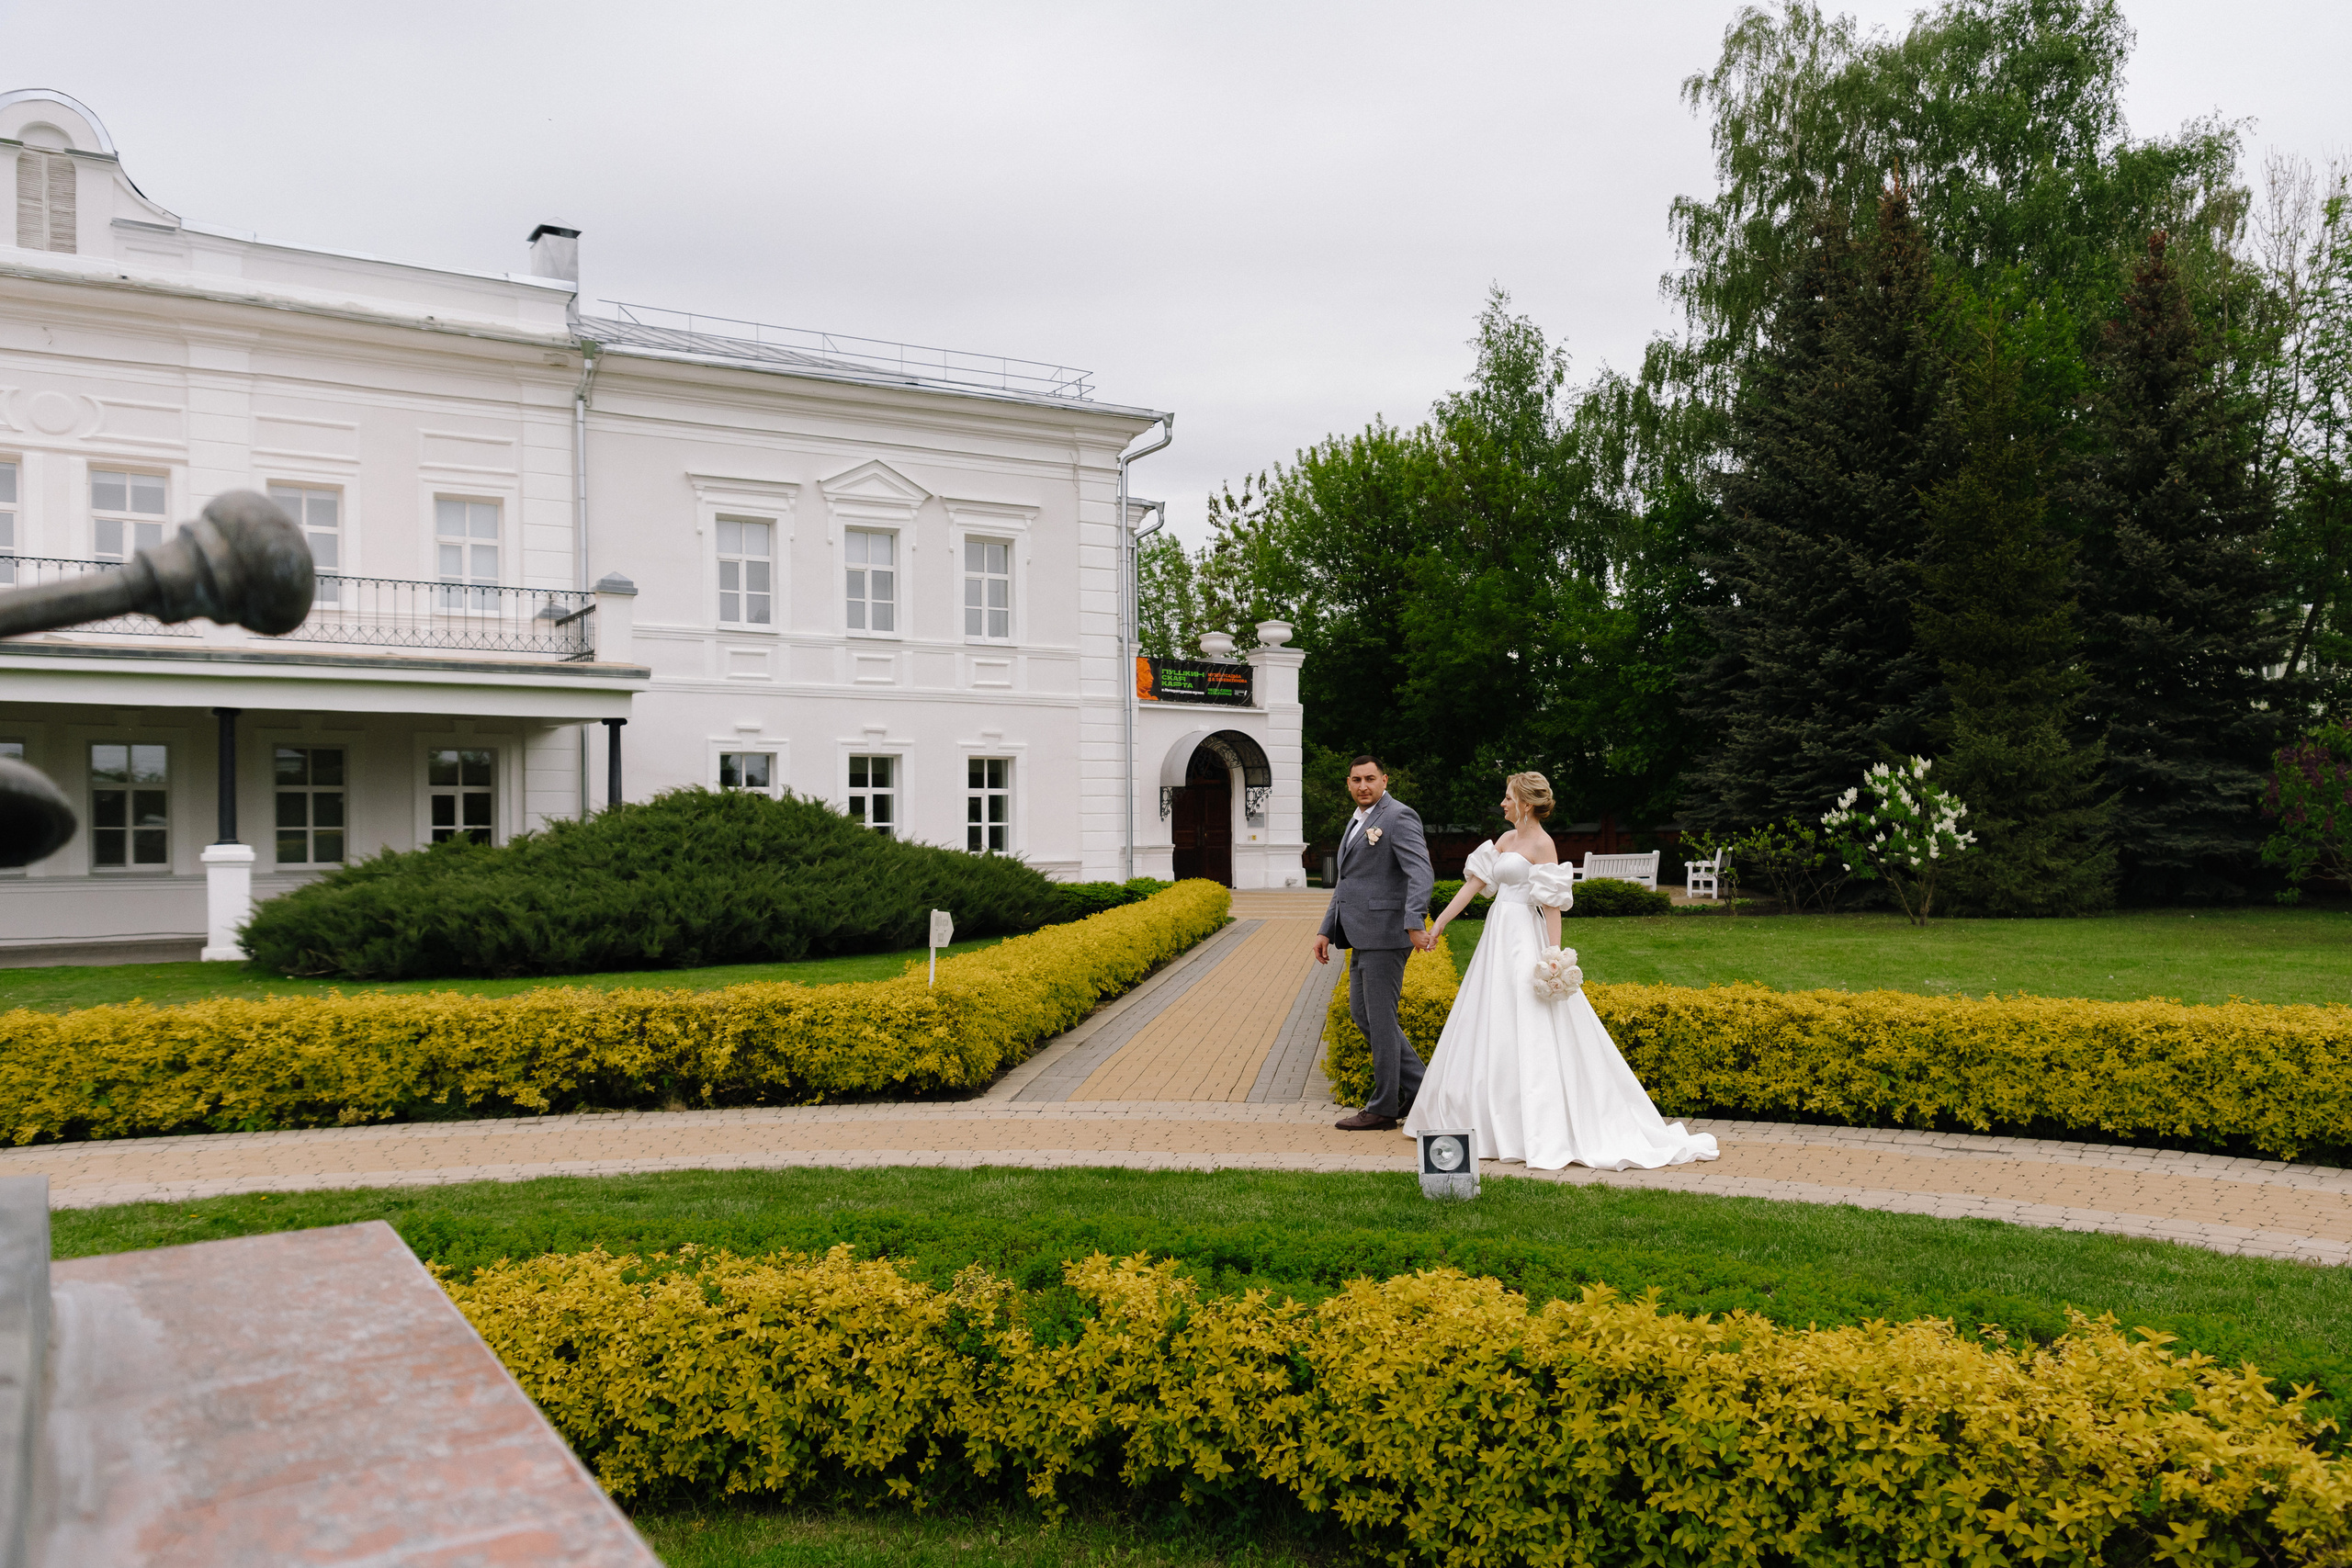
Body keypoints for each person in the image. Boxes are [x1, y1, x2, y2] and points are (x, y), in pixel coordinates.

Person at [1405, 771, 1718, 1171]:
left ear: (1527, 803)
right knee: (1488, 1014)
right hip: (1497, 935)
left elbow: (1551, 904)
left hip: (1523, 937)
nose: (1502, 803)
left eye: (1507, 797)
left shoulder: (1543, 843)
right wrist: (1440, 923)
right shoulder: (1504, 841)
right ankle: (1481, 1117)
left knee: (1527, 1018)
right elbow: (1472, 886)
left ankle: (1532, 1124)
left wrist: (1553, 957)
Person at [1312, 754, 1435, 1132]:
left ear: (1385, 779)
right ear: (1348, 783)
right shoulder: (1358, 819)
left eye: (1369, 779)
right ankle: (1426, 1089)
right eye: (1355, 780)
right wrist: (1325, 929)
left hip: (1386, 933)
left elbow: (1421, 871)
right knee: (1363, 1015)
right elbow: (1347, 881)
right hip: (1360, 933)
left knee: (1381, 1021)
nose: (1362, 786)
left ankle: (1383, 1108)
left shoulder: (1398, 816)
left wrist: (1414, 922)